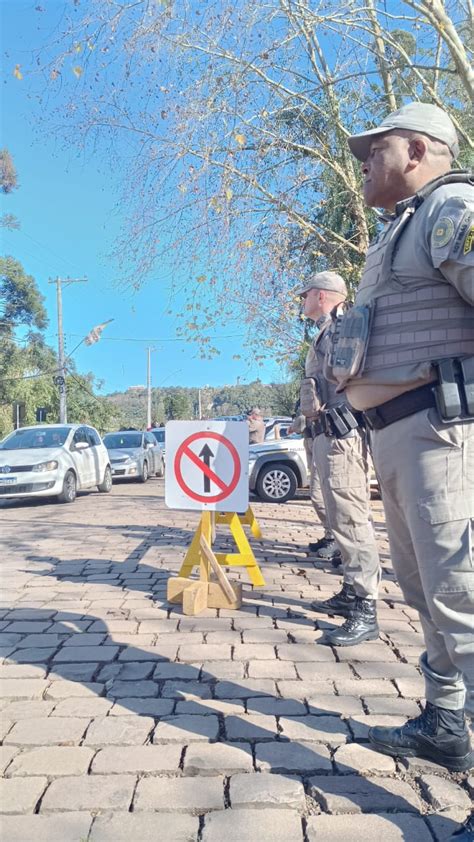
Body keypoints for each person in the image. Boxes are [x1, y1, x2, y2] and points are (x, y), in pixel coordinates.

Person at [327, 102, 473, 774]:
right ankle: (445, 723)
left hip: (444, 437)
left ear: (416, 151)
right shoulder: (400, 230)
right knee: (427, 596)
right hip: (402, 437)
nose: (361, 165)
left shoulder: (451, 210)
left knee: (463, 600)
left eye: (373, 152)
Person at [296, 271, 381, 645]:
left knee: (351, 520)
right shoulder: (325, 330)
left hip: (342, 436)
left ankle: (366, 606)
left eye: (305, 296)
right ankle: (351, 591)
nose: (302, 301)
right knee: (339, 519)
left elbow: (353, 380)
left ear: (320, 295)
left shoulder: (342, 328)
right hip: (327, 436)